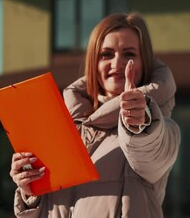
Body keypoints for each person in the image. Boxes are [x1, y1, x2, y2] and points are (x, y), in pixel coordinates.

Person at [9, 12, 180, 217]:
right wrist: (31, 192)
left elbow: (152, 150)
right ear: (93, 62)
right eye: (106, 54)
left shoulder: (157, 124)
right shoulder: (63, 129)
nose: (117, 64)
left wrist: (139, 122)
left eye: (129, 54)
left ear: (144, 63)